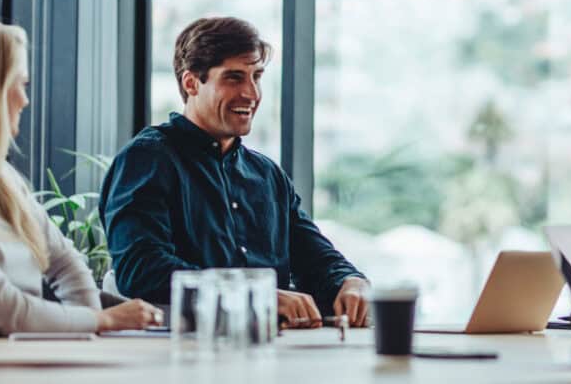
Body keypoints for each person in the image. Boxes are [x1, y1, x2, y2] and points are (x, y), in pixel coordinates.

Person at [100, 17, 370, 328]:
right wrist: (256, 296)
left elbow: (314, 256)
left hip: (273, 352)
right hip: (181, 354)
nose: (252, 93)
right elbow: (142, 271)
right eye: (234, 78)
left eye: (256, 77)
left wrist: (350, 281)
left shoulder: (267, 175)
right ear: (191, 83)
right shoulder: (147, 159)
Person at [0, 16, 162, 335]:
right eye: (19, 85)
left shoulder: (0, 178)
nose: (24, 100)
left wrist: (88, 328)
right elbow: (1, 308)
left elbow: (65, 262)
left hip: (18, 356)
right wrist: (101, 320)